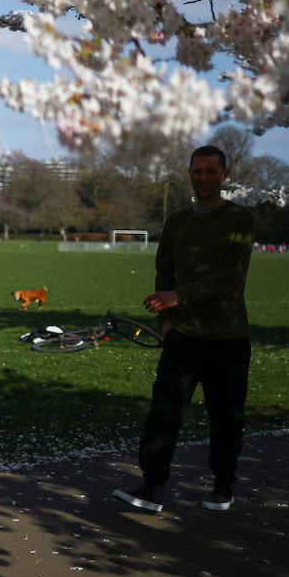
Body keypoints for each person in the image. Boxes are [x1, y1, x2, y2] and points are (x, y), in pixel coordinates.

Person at [114, 145, 254, 514]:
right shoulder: (177, 221)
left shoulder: (240, 218)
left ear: (224, 175)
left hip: (228, 337)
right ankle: (152, 486)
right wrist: (167, 322)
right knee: (164, 413)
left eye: (211, 171)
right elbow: (163, 271)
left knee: (226, 416)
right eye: (198, 171)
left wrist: (179, 297)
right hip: (184, 338)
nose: (203, 177)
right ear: (189, 173)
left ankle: (223, 485)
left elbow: (231, 277)